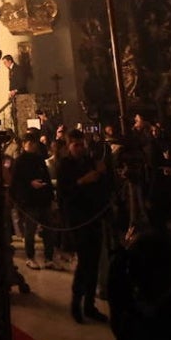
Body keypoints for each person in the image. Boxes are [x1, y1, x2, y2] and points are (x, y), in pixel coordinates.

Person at [58, 129, 110, 323]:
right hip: (78, 220)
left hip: (93, 217)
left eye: (82, 144)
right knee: (84, 262)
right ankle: (76, 303)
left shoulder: (89, 162)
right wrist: (81, 181)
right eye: (76, 145)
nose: (80, 148)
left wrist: (102, 173)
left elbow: (102, 188)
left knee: (94, 261)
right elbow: (64, 194)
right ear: (69, 146)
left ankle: (89, 305)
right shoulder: (65, 165)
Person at [11, 131, 58, 270]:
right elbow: (16, 182)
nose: (32, 146)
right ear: (24, 144)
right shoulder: (19, 161)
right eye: (30, 143)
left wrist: (49, 194)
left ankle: (48, 258)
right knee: (30, 231)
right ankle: (30, 257)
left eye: (34, 143)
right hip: (29, 201)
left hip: (43, 199)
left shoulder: (39, 159)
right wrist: (29, 184)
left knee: (49, 230)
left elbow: (46, 177)